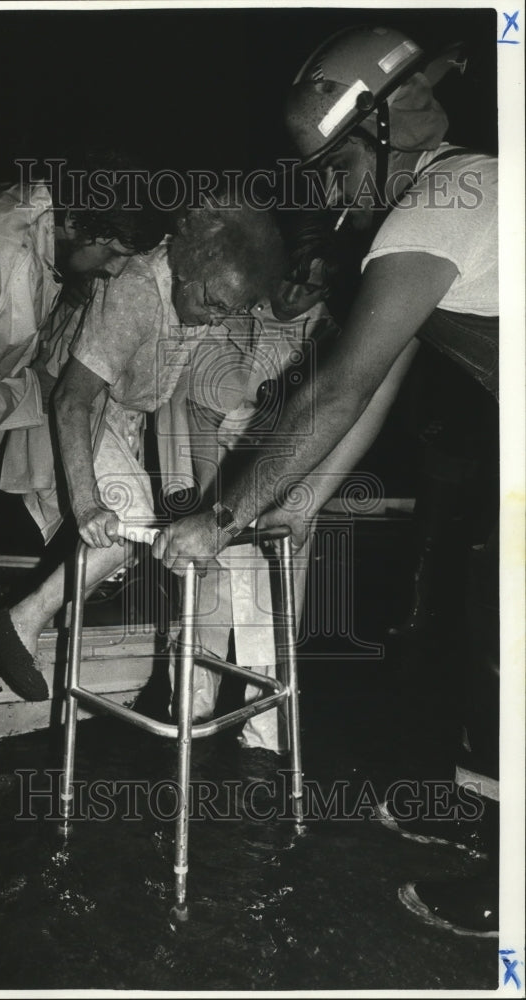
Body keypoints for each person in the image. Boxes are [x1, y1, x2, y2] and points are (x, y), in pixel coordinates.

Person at [152, 24, 499, 937]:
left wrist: (225, 514)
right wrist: (299, 504)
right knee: (481, 632)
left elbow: (338, 387)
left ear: (383, 130)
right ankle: (486, 814)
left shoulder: (438, 206)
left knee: (504, 647)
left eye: (338, 160)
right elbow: (379, 380)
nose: (331, 185)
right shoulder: (450, 192)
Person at [0, 170, 166, 904]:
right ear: (88, 230)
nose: (111, 274)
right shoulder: (3, 247)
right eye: (110, 258)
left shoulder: (26, 236)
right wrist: (44, 387)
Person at [0, 199, 289, 694]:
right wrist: (87, 503)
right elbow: (71, 401)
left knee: (128, 535)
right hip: (65, 404)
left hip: (117, 413)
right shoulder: (140, 293)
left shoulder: (197, 296)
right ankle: (19, 621)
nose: (213, 320)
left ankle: (28, 619)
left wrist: (206, 510)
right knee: (129, 524)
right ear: (190, 269)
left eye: (227, 313)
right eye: (213, 305)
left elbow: (179, 407)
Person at [169, 211, 341, 750]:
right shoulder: (239, 309)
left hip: (285, 483)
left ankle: (265, 734)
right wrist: (208, 496)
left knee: (272, 606)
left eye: (313, 287)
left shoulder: (333, 331)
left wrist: (301, 495)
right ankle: (189, 712)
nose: (295, 295)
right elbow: (196, 408)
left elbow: (332, 420)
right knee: (205, 597)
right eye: (290, 279)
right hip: (218, 471)